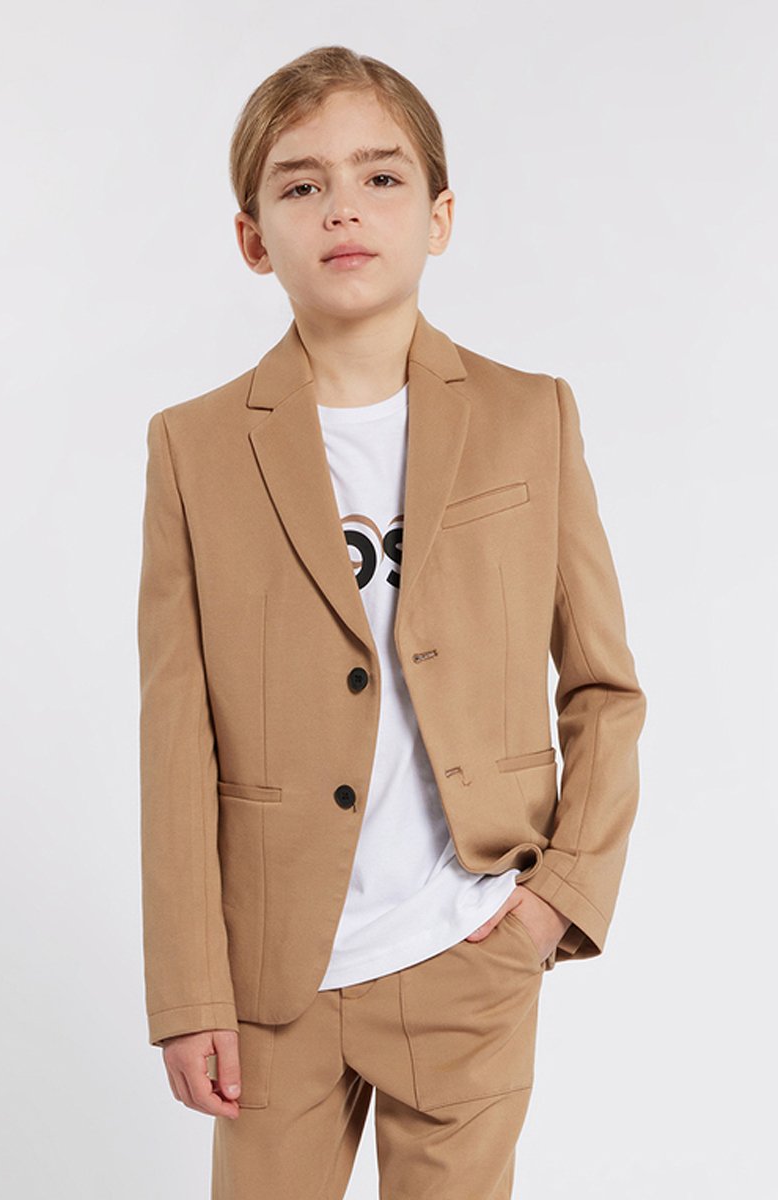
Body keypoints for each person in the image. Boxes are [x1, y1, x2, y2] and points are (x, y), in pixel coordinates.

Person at [137, 44, 647, 1199]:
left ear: (439, 216)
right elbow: (175, 735)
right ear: (252, 236)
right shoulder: (193, 448)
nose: (343, 209)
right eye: (301, 184)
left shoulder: (528, 417)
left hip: (467, 951)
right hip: (269, 981)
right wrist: (187, 991)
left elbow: (603, 689)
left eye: (379, 177)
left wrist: (552, 905)